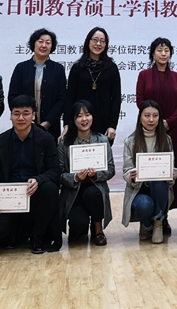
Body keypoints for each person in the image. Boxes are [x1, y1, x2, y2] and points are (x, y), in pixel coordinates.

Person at [0, 95, 61, 254]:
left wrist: (38, 180)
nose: (21, 118)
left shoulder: (46, 139)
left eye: (26, 113)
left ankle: (37, 235)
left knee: (50, 189)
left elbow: (55, 171)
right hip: (9, 197)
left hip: (35, 194)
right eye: (16, 113)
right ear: (10, 116)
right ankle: (16, 232)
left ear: (33, 116)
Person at [136, 37, 177, 222]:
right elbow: (140, 100)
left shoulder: (176, 77)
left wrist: (169, 122)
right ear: (153, 53)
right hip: (149, 128)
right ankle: (149, 216)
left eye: (166, 50)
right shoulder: (144, 75)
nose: (163, 54)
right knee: (151, 169)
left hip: (172, 129)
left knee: (169, 170)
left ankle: (163, 217)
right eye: (159, 50)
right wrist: (154, 121)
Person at [58, 100, 115, 246]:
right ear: (73, 119)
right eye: (79, 116)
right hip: (74, 191)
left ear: (93, 116)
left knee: (93, 194)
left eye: (87, 115)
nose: (84, 119)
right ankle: (81, 226)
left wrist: (96, 174)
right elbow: (59, 174)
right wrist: (75, 177)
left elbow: (111, 170)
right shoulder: (65, 143)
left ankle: (98, 230)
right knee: (78, 227)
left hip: (95, 188)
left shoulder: (102, 140)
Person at [121, 101, 177, 244]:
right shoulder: (130, 141)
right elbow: (126, 170)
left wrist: (171, 174)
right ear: (140, 117)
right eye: (147, 116)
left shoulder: (166, 139)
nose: (151, 120)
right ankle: (146, 225)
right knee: (144, 205)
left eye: (155, 116)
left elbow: (172, 167)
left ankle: (158, 222)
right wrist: (132, 176)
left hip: (160, 188)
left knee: (158, 180)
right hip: (138, 190)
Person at [9, 28, 66, 142]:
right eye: (40, 41)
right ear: (33, 43)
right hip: (23, 126)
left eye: (48, 42)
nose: (44, 45)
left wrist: (48, 122)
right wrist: (25, 118)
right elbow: (13, 96)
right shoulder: (21, 68)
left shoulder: (58, 69)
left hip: (51, 128)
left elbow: (62, 99)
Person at [65, 27, 121, 142]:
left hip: (104, 122)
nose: (98, 44)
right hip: (81, 122)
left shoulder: (111, 68)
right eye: (95, 40)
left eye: (102, 41)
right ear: (88, 41)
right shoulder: (77, 67)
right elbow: (69, 97)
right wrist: (67, 124)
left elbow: (116, 98)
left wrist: (112, 125)